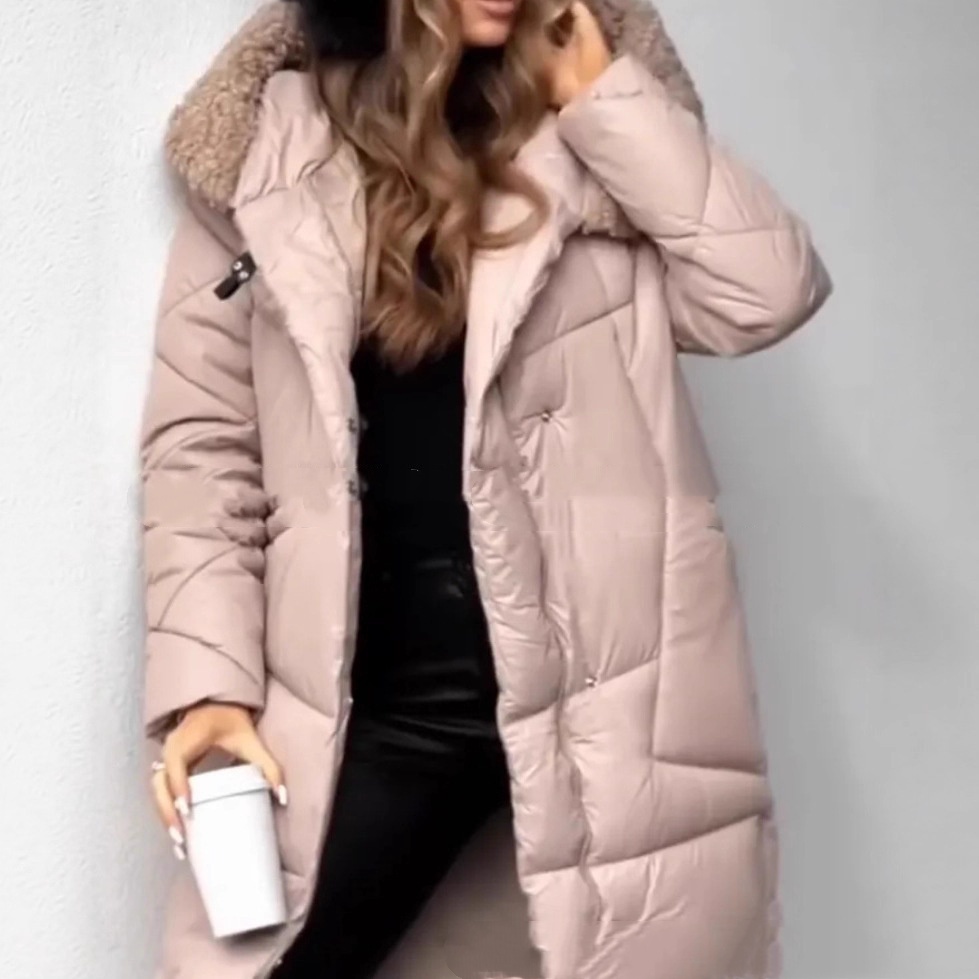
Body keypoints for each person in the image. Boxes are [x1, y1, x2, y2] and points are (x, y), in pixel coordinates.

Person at [138, 0, 832, 976]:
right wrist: (208, 688)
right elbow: (202, 447)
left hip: (600, 695)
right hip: (376, 704)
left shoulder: (585, 126)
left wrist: (602, 95)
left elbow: (764, 291)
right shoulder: (266, 142)